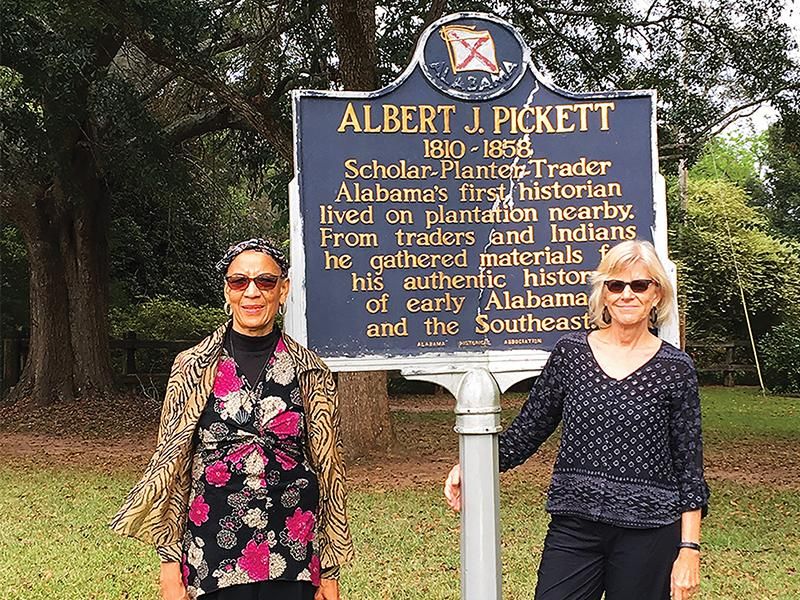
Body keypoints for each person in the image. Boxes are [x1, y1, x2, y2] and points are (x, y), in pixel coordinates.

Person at [444, 239, 709, 600]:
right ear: (603, 293)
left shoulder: (676, 369)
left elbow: (689, 468)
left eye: (639, 284)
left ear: (657, 294)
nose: (626, 294)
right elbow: (527, 431)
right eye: (616, 285)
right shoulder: (571, 354)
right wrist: (472, 465)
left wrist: (689, 548)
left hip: (649, 531)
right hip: (575, 527)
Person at [111, 238, 353, 600]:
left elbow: (328, 471)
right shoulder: (193, 366)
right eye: (240, 282)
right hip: (212, 554)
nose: (252, 292)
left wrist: (330, 571)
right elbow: (172, 468)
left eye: (265, 282)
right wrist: (168, 566)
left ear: (283, 290)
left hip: (293, 555)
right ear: (227, 290)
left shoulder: (312, 371)